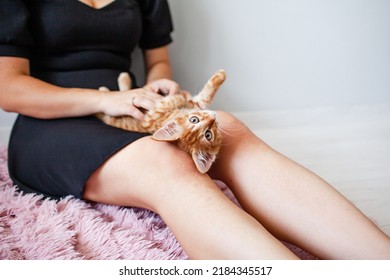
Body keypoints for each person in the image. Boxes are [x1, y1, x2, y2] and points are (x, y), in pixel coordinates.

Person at [0, 0, 389, 260]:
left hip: (133, 107)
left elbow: (159, 64)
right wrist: (104, 100)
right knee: (165, 162)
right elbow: (10, 88)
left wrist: (160, 85)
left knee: (225, 128)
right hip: (50, 123)